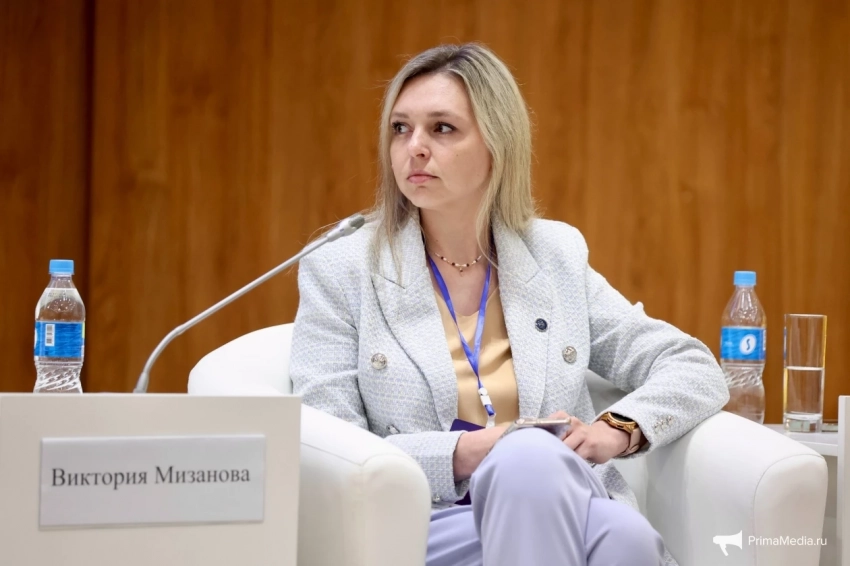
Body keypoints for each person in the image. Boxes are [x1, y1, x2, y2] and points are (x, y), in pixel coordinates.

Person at [289, 42, 729, 566]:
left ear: (498, 144)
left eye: (442, 128)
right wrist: (466, 452)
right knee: (615, 530)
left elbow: (691, 365)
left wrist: (617, 430)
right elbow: (329, 442)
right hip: (422, 521)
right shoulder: (342, 269)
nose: (415, 148)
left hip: (558, 500)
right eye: (400, 128)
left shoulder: (554, 256)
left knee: (609, 524)